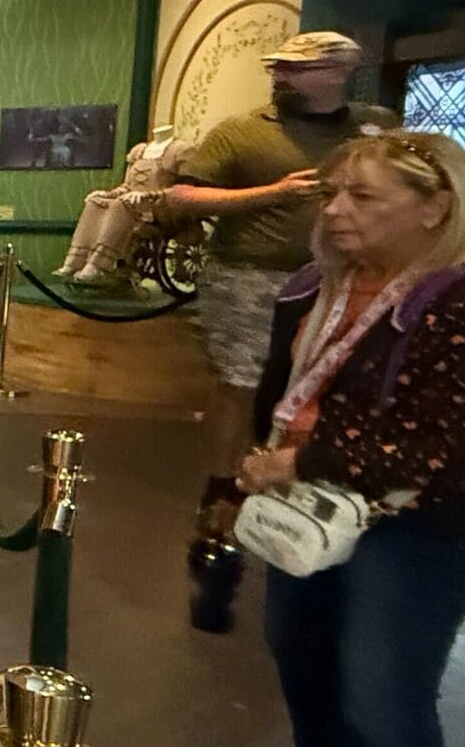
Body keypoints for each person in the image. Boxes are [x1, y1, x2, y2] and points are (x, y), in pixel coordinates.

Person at [223, 129, 465, 747]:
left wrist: (303, 460)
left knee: (385, 688)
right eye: (336, 192)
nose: (336, 211)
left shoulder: (451, 300)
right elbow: (278, 395)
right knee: (299, 640)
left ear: (435, 208)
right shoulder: (315, 287)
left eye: (364, 196)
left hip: (414, 525)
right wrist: (252, 470)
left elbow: (443, 446)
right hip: (310, 508)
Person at [165, 31, 394, 627]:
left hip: (347, 280)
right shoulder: (243, 131)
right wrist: (274, 193)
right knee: (243, 388)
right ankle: (223, 507)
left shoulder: (375, 129)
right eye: (281, 69)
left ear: (336, 73)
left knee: (324, 399)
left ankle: (312, 510)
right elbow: (179, 198)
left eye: (299, 69)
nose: (284, 78)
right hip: (251, 278)